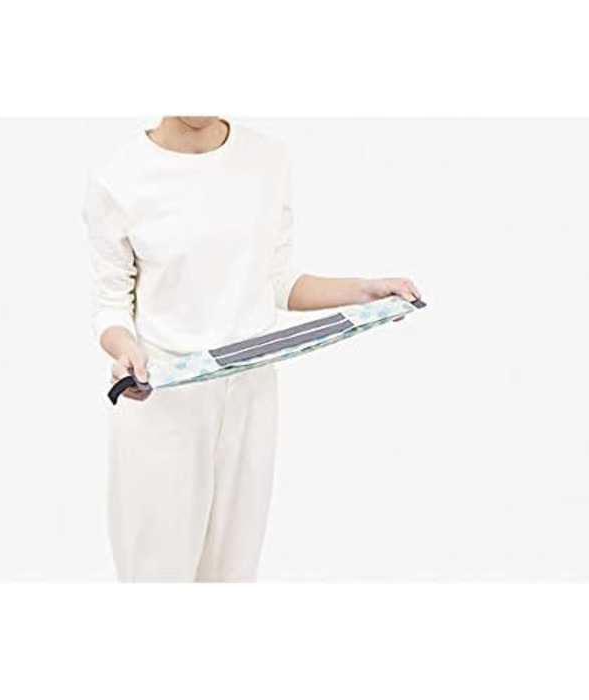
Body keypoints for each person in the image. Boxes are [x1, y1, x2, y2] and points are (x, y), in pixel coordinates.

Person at [82, 116, 422, 582]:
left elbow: (277, 280)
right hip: (164, 400)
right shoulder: (119, 180)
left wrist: (365, 292)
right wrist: (125, 349)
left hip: (252, 395)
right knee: (155, 575)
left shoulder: (267, 160)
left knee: (233, 575)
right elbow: (111, 306)